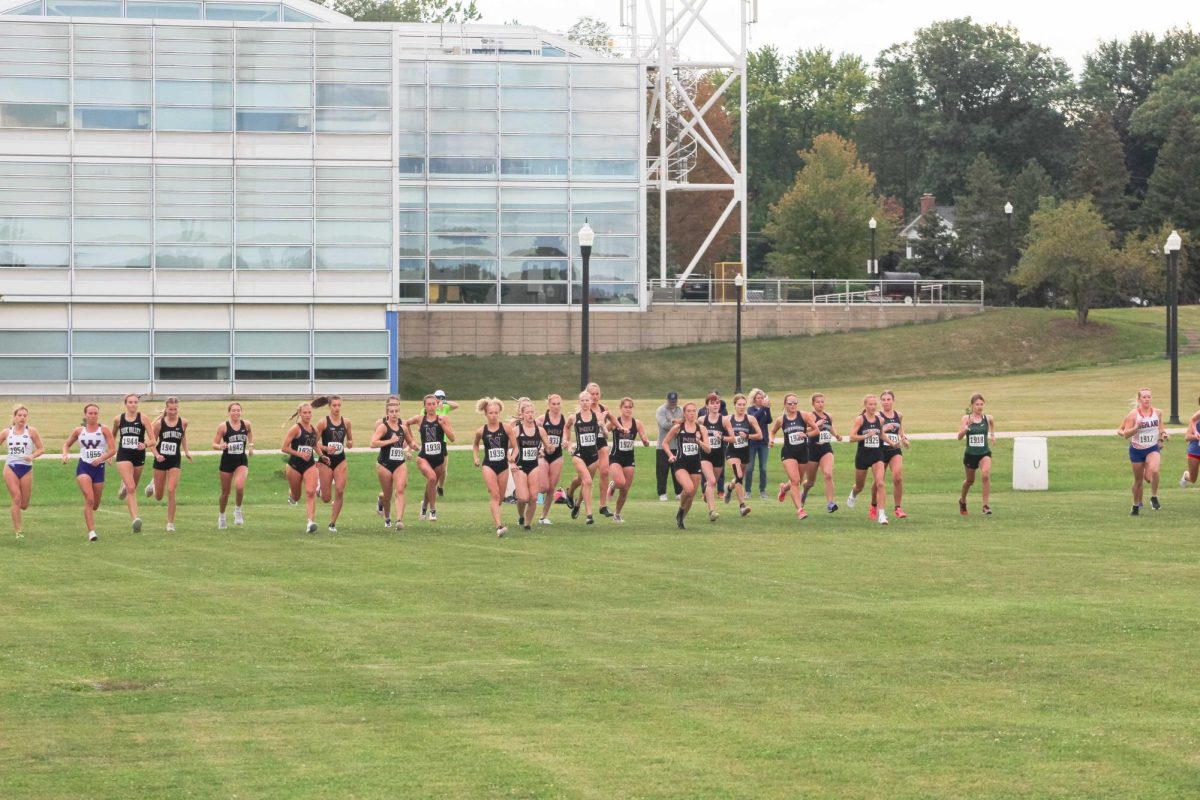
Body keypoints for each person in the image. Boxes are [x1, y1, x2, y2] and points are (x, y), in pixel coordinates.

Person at [62, 403, 115, 542]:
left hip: (99, 468)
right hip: (84, 467)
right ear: (85, 415)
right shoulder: (79, 431)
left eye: (95, 413)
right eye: (90, 413)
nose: (92, 415)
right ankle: (91, 532)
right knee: (89, 499)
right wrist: (65, 454)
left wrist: (102, 458)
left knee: (95, 504)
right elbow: (66, 444)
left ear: (98, 415)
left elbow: (112, 449)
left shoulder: (104, 430)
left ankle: (91, 516)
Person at [661, 402, 712, 529]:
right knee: (688, 489)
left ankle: (681, 517)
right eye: (689, 411)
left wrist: (698, 440)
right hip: (681, 463)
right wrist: (670, 455)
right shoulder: (678, 428)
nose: (692, 413)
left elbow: (708, 450)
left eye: (694, 411)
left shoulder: (702, 429)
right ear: (684, 413)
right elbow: (665, 443)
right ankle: (681, 510)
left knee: (691, 495)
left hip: (695, 465)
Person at [407, 394, 455, 522]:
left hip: (439, 459)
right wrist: (411, 442)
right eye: (428, 404)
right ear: (424, 406)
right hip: (424, 457)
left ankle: (423, 506)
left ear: (437, 405)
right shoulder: (419, 419)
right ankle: (433, 510)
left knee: (431, 483)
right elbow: (405, 424)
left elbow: (452, 438)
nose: (431, 407)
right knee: (432, 478)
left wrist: (443, 426)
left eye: (433, 404)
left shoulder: (443, 419)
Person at [1118, 387, 1166, 515]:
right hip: (1137, 450)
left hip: (1152, 448)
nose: (1147, 399)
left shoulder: (1158, 412)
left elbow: (1160, 426)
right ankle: (1135, 505)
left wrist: (1163, 435)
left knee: (1155, 471)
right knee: (1138, 481)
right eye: (1144, 397)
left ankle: (1154, 497)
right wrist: (1136, 428)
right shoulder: (1133, 414)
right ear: (1139, 399)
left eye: (1149, 396)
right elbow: (1126, 434)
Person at [147, 397, 191, 532]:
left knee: (171, 490)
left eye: (175, 409)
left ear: (178, 408)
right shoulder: (159, 424)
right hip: (161, 459)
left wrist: (187, 451)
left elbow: (183, 436)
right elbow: (152, 442)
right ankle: (154, 483)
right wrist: (156, 455)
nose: (173, 412)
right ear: (166, 409)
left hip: (175, 460)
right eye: (170, 409)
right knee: (159, 496)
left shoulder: (183, 422)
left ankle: (170, 523)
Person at [473, 397, 514, 537]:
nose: (493, 415)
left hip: (503, 466)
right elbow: (475, 445)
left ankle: (495, 504)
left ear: (499, 413)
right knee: (495, 495)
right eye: (491, 413)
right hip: (488, 465)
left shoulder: (506, 428)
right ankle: (499, 526)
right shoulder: (481, 431)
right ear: (486, 414)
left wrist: (512, 456)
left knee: (500, 497)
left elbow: (516, 446)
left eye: (496, 412)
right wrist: (476, 457)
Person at [769, 393, 814, 520]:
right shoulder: (781, 420)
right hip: (788, 453)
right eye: (790, 403)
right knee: (795, 481)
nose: (793, 405)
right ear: (785, 405)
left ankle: (784, 488)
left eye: (795, 403)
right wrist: (771, 440)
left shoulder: (804, 416)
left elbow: (816, 430)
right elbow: (772, 432)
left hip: (803, 452)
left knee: (797, 479)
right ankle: (800, 510)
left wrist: (805, 434)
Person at [113, 393, 153, 534]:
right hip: (124, 455)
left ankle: (124, 486)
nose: (133, 404)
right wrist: (110, 453)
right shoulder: (118, 419)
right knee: (131, 488)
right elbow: (112, 437)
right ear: (126, 403)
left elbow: (153, 440)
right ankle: (135, 519)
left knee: (132, 487)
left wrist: (146, 444)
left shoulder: (143, 418)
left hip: (138, 455)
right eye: (130, 402)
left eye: (135, 402)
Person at [606, 397, 650, 523]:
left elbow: (644, 438)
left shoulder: (637, 423)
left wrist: (645, 441)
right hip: (615, 457)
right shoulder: (615, 422)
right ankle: (613, 484)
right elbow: (603, 432)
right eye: (625, 407)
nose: (628, 409)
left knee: (625, 490)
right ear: (620, 408)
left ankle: (617, 514)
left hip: (629, 458)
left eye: (630, 407)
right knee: (620, 482)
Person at [847, 394, 889, 526]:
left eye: (874, 404)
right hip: (863, 456)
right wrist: (866, 435)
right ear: (865, 406)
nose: (872, 406)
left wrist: (891, 443)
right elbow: (851, 438)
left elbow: (881, 434)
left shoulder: (879, 420)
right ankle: (853, 493)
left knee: (880, 483)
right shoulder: (860, 419)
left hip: (877, 454)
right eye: (870, 404)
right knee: (860, 486)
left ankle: (882, 515)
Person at [3, 404, 43, 539]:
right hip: (11, 467)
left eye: (25, 415)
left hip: (26, 468)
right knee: (16, 498)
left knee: (24, 504)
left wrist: (31, 456)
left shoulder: (31, 431)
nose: (22, 418)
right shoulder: (6, 432)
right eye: (19, 415)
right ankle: (18, 531)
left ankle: (17, 512)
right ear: (14, 417)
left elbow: (41, 449)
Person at [512, 398, 552, 531]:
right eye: (527, 412)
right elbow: (504, 448)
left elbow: (548, 447)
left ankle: (527, 524)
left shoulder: (540, 431)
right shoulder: (516, 431)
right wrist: (510, 461)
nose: (530, 415)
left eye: (532, 412)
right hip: (519, 466)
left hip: (534, 465)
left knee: (533, 497)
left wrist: (549, 448)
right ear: (522, 414)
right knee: (523, 498)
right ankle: (520, 516)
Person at [372, 397, 411, 530]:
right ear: (387, 413)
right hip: (384, 464)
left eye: (396, 410)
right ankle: (387, 517)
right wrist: (390, 441)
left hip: (400, 462)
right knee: (387, 495)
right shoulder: (382, 426)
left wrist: (410, 450)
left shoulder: (403, 427)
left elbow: (410, 442)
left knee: (400, 490)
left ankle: (399, 520)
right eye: (392, 411)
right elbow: (373, 443)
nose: (394, 413)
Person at [282, 402, 320, 534]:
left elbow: (314, 445)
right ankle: (291, 494)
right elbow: (284, 448)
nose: (308, 415)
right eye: (305, 413)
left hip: (309, 464)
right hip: (294, 466)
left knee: (310, 492)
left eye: (309, 412)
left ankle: (310, 522)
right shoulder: (295, 429)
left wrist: (322, 456)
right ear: (300, 414)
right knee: (297, 496)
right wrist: (299, 454)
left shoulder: (313, 429)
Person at [315, 395, 351, 533]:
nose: (337, 408)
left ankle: (332, 523)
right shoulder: (322, 423)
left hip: (340, 460)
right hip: (326, 461)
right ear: (329, 406)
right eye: (334, 405)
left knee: (340, 490)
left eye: (339, 405)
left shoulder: (346, 422)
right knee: (326, 498)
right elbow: (314, 443)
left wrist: (350, 443)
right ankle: (319, 490)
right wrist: (325, 449)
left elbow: (350, 440)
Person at [214, 402, 253, 530]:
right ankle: (222, 516)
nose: (236, 413)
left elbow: (250, 434)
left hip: (241, 461)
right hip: (226, 462)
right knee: (225, 493)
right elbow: (214, 443)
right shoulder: (223, 426)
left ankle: (237, 510)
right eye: (233, 410)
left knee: (240, 486)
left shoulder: (246, 424)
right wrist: (220, 446)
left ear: (241, 412)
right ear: (229, 412)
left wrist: (250, 446)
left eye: (238, 410)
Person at [722, 393, 761, 518]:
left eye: (744, 405)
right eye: (739, 404)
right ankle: (742, 506)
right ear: (734, 405)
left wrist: (747, 436)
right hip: (732, 452)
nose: (742, 407)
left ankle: (729, 487)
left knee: (739, 478)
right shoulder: (727, 419)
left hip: (745, 452)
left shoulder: (750, 419)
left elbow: (760, 435)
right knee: (738, 475)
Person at [801, 392, 842, 513]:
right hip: (812, 450)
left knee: (828, 474)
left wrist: (837, 435)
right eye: (817, 402)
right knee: (810, 482)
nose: (820, 404)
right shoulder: (809, 416)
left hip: (826, 449)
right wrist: (816, 426)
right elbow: (803, 431)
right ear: (813, 404)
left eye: (822, 402)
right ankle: (804, 492)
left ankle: (830, 503)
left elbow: (830, 427)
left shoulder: (828, 415)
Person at [564, 391, 600, 525]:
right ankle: (589, 515)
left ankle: (576, 501)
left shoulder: (597, 416)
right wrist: (567, 443)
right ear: (579, 402)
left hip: (593, 456)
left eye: (587, 400)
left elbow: (606, 429)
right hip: (579, 454)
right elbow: (566, 428)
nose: (585, 403)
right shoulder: (574, 417)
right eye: (582, 400)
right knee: (588, 481)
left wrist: (606, 430)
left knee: (582, 481)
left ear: (591, 402)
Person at [957, 393, 996, 516]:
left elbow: (992, 425)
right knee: (970, 481)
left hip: (984, 452)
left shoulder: (988, 418)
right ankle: (962, 501)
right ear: (972, 405)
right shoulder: (966, 418)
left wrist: (992, 435)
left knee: (985, 475)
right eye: (977, 404)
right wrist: (968, 426)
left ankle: (985, 506)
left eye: (981, 404)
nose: (979, 407)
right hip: (970, 454)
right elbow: (959, 437)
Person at [878, 390, 911, 520]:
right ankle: (875, 506)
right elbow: (874, 432)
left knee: (897, 477)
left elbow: (900, 430)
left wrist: (904, 439)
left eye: (889, 399)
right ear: (880, 402)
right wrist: (885, 429)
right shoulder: (878, 416)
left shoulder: (899, 415)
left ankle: (898, 508)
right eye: (884, 400)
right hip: (880, 450)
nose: (886, 402)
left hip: (895, 449)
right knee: (879, 481)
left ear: (893, 401)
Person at [537, 394, 566, 525]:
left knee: (551, 488)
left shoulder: (564, 420)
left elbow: (566, 436)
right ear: (549, 405)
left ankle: (543, 517)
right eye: (553, 404)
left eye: (558, 404)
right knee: (543, 486)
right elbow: (531, 432)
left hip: (557, 455)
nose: (556, 406)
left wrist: (566, 443)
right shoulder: (543, 419)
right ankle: (530, 497)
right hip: (543, 455)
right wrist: (539, 448)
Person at [698, 392, 727, 522]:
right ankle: (712, 511)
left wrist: (721, 437)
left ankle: (706, 491)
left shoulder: (724, 420)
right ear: (707, 406)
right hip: (705, 455)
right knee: (712, 481)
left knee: (712, 482)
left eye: (717, 403)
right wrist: (697, 438)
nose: (715, 405)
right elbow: (692, 429)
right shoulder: (702, 420)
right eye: (712, 403)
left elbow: (732, 439)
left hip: (719, 455)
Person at [655, 391, 683, 501]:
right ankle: (662, 493)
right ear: (666, 400)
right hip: (662, 446)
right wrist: (677, 422)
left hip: (677, 445)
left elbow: (685, 422)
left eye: (674, 401)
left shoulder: (680, 410)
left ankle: (679, 492)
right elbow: (664, 425)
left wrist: (676, 421)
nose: (673, 403)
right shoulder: (661, 410)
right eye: (671, 401)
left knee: (678, 470)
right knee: (662, 471)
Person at [745, 388, 773, 500]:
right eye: (758, 398)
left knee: (763, 468)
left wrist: (768, 409)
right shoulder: (750, 410)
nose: (760, 400)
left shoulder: (764, 409)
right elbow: (754, 418)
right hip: (752, 442)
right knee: (750, 468)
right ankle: (747, 490)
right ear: (754, 399)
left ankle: (762, 490)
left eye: (762, 398)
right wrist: (763, 408)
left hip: (763, 442)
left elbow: (769, 420)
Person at [433, 389, 458, 497]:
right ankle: (432, 489)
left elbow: (456, 405)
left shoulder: (444, 408)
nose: (440, 400)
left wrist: (445, 402)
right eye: (438, 398)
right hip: (431, 441)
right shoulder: (428, 409)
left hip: (442, 441)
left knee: (443, 469)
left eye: (442, 398)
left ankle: (440, 487)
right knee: (432, 469)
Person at [1181, 398, 1200, 489]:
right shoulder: (1196, 419)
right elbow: (1187, 437)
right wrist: (1197, 436)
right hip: (1195, 451)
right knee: (1193, 479)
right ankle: (1185, 476)